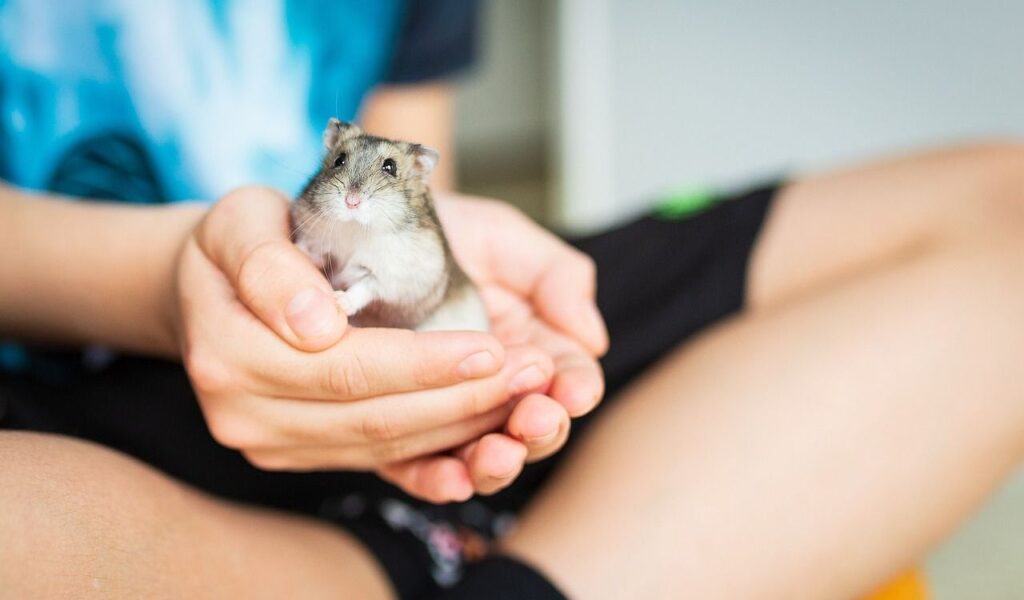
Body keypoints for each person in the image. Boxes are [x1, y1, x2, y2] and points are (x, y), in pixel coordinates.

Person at [2, 2, 1023, 599]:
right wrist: (169, 279)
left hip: (404, 341)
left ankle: (460, 563)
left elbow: (414, 179)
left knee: (1004, 208)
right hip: (83, 388)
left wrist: (438, 272)